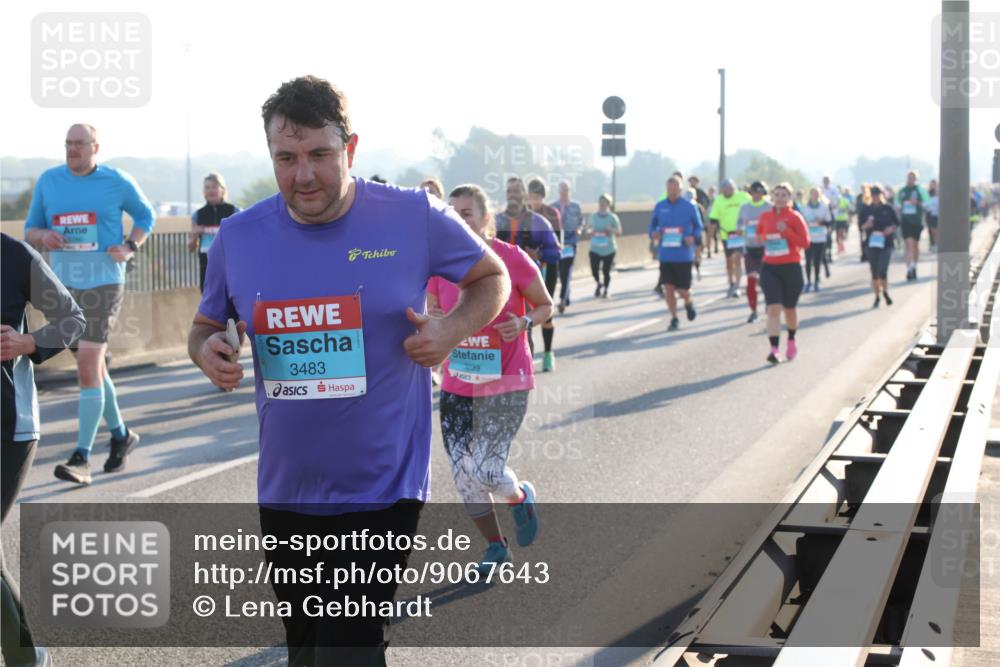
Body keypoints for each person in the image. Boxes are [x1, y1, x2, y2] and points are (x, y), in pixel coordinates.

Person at [187, 75, 509, 666]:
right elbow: (206, 324)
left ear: (351, 150)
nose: (303, 175)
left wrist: (450, 331)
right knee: (306, 653)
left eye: (319, 155)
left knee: (347, 651)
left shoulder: (412, 215)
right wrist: (206, 349)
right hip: (287, 490)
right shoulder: (237, 237)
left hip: (382, 486)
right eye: (286, 158)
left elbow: (492, 278)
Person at [427, 184, 549, 573]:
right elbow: (434, 313)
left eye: (466, 213)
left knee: (486, 470)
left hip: (506, 381)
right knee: (463, 475)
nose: (458, 220)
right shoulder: (438, 266)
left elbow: (546, 304)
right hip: (458, 383)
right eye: (452, 213)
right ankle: (496, 547)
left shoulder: (511, 259)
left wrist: (525, 321)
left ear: (485, 219)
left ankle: (519, 496)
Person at [24, 123, 154, 485]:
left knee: (87, 366)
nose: (72, 149)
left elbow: (146, 216)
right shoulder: (49, 181)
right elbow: (30, 230)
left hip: (104, 284)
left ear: (96, 146)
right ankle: (121, 435)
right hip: (63, 289)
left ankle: (82, 457)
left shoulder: (116, 181)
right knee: (94, 368)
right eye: (68, 143)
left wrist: (130, 246)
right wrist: (44, 235)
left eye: (79, 143)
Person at [2, 233, 85, 667]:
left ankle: (25, 657)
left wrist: (27, 343)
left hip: (9, 428)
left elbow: (73, 319)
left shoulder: (13, 255)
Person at [495, 177, 560, 371]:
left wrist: (538, 254)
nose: (512, 195)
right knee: (499, 328)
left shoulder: (539, 222)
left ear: (524, 194)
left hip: (527, 285)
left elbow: (556, 252)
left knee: (525, 330)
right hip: (499, 284)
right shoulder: (496, 220)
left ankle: (526, 370)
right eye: (509, 191)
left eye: (516, 191)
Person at [756, 183, 809, 363]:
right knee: (773, 309)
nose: (779, 198)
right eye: (777, 194)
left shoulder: (795, 217)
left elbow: (805, 243)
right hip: (770, 267)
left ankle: (791, 340)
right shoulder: (764, 216)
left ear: (789, 198)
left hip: (791, 267)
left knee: (789, 309)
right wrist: (767, 240)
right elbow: (759, 235)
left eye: (783, 195)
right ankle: (774, 349)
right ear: (772, 196)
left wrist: (785, 232)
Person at [649, 176, 703, 331]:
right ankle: (674, 318)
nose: (672, 192)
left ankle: (688, 302)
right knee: (669, 289)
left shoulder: (689, 206)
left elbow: (699, 227)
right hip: (666, 255)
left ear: (680, 189)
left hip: (683, 255)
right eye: (669, 189)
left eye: (675, 189)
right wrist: (654, 234)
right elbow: (652, 226)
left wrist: (692, 236)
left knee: (682, 290)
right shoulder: (660, 206)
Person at [525, 178, 561, 370]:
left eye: (538, 197)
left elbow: (557, 248)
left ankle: (548, 353)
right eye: (531, 197)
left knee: (546, 313)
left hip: (548, 268)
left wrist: (538, 254)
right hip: (525, 272)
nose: (534, 201)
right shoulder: (517, 216)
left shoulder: (551, 214)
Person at [188, 172, 241, 292]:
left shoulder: (234, 211)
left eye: (214, 187)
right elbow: (191, 248)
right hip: (207, 268)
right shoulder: (198, 215)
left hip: (230, 267)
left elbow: (243, 240)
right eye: (207, 187)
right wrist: (193, 237)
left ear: (222, 190)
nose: (210, 190)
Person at [709, 178, 751, 298]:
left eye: (730, 188)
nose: (728, 191)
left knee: (737, 258)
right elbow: (713, 220)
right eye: (725, 189)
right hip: (726, 235)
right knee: (729, 262)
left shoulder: (743, 196)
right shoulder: (718, 200)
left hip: (741, 234)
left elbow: (753, 207)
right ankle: (731, 282)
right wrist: (710, 239)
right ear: (722, 190)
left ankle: (737, 286)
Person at [736, 181, 772, 323]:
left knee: (765, 281)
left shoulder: (769, 207)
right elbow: (739, 223)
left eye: (760, 192)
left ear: (763, 193)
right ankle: (753, 311)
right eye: (754, 192)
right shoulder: (744, 208)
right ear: (750, 193)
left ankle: (770, 303)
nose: (757, 195)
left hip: (766, 248)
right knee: (751, 281)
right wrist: (739, 229)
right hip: (749, 248)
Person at [860, 185, 899, 308]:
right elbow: (861, 226)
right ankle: (877, 296)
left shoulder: (888, 208)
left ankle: (885, 292)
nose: (876, 197)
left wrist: (890, 229)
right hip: (871, 244)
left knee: (883, 270)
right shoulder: (866, 210)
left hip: (886, 243)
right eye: (873, 195)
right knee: (874, 272)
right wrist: (867, 225)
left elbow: (896, 223)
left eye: (877, 195)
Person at [551, 180, 584, 313]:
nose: (564, 192)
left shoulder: (576, 206)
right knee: (559, 272)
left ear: (570, 191)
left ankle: (563, 299)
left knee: (566, 272)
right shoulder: (552, 207)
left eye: (566, 190)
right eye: (562, 190)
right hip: (556, 244)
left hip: (570, 243)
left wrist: (579, 230)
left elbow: (581, 222)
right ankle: (566, 295)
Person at [588, 194, 622, 297]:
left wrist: (610, 229)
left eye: (604, 202)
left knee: (606, 270)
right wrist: (590, 232)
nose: (602, 204)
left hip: (609, 249)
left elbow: (619, 232)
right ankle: (599, 283)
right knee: (594, 270)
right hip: (595, 247)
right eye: (600, 202)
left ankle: (606, 289)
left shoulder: (612, 217)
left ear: (608, 204)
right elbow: (588, 229)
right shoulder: (593, 216)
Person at [896, 170, 927, 281]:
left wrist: (917, 203)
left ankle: (914, 265)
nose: (910, 179)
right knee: (908, 243)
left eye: (912, 178)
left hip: (917, 221)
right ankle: (909, 268)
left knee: (915, 244)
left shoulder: (921, 190)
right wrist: (899, 209)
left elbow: (927, 204)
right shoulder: (902, 191)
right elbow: (897, 204)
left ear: (915, 179)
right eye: (908, 177)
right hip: (906, 221)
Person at [801, 187, 833, 292]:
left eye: (817, 193)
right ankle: (808, 282)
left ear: (819, 195)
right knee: (808, 260)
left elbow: (829, 222)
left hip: (820, 238)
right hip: (808, 238)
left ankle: (816, 281)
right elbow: (800, 223)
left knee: (817, 261)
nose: (815, 195)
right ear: (809, 195)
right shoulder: (805, 208)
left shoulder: (824, 208)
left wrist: (822, 222)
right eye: (813, 193)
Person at [833, 188, 852, 255]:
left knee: (842, 234)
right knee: (837, 235)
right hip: (836, 220)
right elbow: (832, 209)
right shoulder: (833, 201)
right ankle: (839, 247)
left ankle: (842, 245)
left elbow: (850, 209)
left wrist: (845, 210)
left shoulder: (845, 200)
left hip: (844, 219)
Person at [925, 179, 939, 252]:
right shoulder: (928, 193)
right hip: (930, 214)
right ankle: (933, 244)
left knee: (937, 230)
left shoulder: (939, 192)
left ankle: (937, 244)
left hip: (938, 215)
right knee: (931, 230)